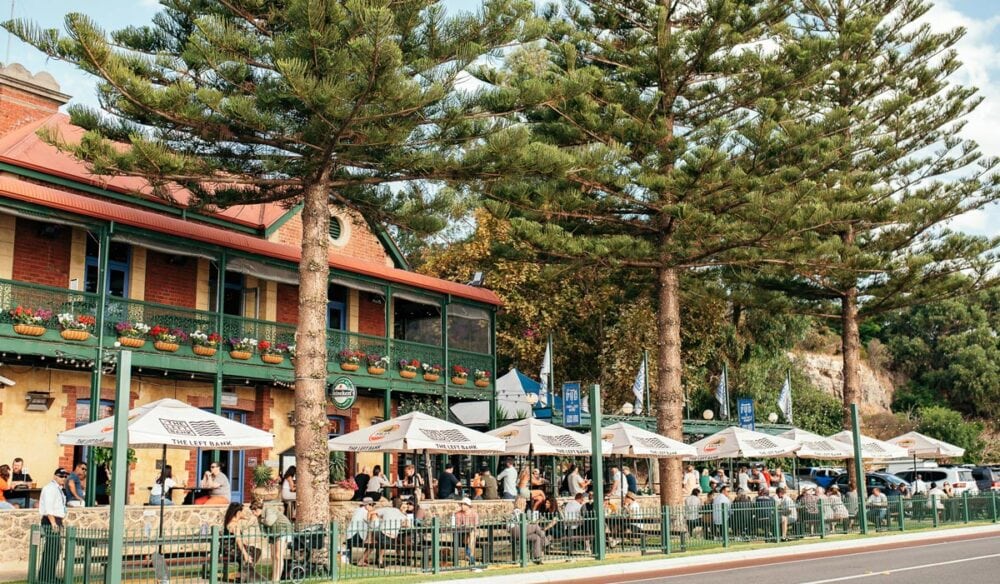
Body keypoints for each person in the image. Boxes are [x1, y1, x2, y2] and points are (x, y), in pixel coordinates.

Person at [38, 468, 69, 584]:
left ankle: (48, 575)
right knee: (52, 549)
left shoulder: (59, 489)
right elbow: (48, 507)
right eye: (61, 476)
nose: (64, 479)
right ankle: (46, 576)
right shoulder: (50, 488)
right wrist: (53, 523)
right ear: (55, 476)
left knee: (55, 549)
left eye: (65, 477)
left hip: (56, 520)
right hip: (51, 520)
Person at [250, 500, 293, 583]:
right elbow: (262, 529)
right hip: (273, 533)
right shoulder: (259, 517)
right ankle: (273, 578)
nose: (253, 514)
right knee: (273, 556)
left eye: (254, 512)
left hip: (283, 530)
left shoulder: (269, 510)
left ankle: (277, 580)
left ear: (258, 509)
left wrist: (261, 520)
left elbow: (269, 522)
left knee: (278, 555)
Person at [372, 497, 410, 567]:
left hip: (380, 534)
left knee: (381, 538)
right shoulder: (402, 515)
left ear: (392, 504)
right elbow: (407, 525)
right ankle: (382, 560)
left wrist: (378, 518)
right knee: (398, 540)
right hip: (390, 537)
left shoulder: (386, 509)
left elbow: (373, 512)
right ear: (401, 505)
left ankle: (380, 559)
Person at [509, 496, 547, 564]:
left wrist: (530, 523)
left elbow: (524, 523)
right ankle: (546, 541)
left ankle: (537, 558)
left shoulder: (521, 511)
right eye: (525, 502)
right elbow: (520, 522)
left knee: (536, 537)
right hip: (516, 530)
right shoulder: (517, 510)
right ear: (521, 503)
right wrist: (531, 524)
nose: (526, 504)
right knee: (535, 527)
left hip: (521, 530)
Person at [222, 502, 258, 574]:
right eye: (243, 511)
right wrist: (245, 554)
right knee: (255, 551)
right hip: (231, 551)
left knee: (252, 550)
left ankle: (243, 572)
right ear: (238, 512)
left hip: (228, 550)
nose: (245, 513)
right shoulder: (234, 525)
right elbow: (238, 540)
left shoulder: (230, 521)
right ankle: (245, 573)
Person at [347, 498, 374, 564]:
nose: (372, 507)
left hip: (350, 536)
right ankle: (362, 561)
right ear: (367, 505)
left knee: (372, 541)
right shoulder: (364, 512)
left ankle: (365, 559)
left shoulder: (358, 510)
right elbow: (371, 523)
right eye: (372, 505)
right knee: (374, 544)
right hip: (355, 535)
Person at [453, 498, 479, 565]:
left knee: (471, 533)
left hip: (472, 535)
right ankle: (471, 557)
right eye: (461, 504)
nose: (461, 506)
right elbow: (457, 526)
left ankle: (469, 555)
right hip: (461, 535)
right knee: (470, 536)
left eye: (463, 504)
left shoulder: (474, 514)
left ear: (468, 506)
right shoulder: (458, 514)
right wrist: (454, 513)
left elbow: (476, 526)